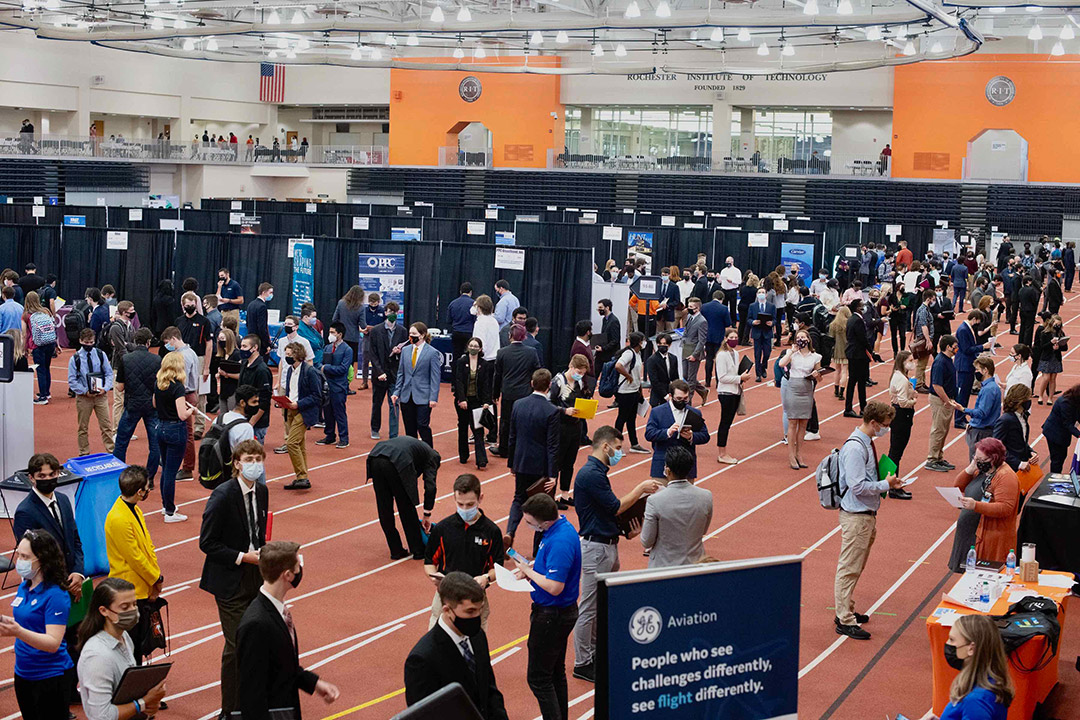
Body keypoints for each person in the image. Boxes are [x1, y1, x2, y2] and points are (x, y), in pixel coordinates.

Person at [571, 425, 660, 682]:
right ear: (606, 446)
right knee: (588, 607)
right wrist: (641, 488)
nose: (620, 453)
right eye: (618, 448)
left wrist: (623, 531)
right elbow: (614, 506)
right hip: (595, 548)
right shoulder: (591, 474)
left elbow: (604, 513)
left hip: (606, 544)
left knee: (599, 605)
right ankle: (582, 661)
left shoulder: (598, 473)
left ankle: (596, 654)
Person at [199, 438, 268, 716]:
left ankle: (251, 700)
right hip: (229, 580)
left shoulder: (262, 492)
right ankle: (229, 710)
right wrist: (242, 556)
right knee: (237, 644)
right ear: (237, 464)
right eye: (248, 460)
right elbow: (207, 543)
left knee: (256, 640)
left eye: (258, 459)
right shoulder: (223, 495)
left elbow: (258, 533)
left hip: (256, 577)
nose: (254, 465)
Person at [235, 541, 339, 719]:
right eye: (299, 566)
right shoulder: (256, 624)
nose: (301, 570)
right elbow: (251, 692)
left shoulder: (277, 610)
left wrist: (314, 684)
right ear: (288, 575)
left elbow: (281, 663)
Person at [833, 402, 906, 640]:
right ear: (873, 422)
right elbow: (856, 486)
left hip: (865, 515)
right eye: (884, 425)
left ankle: (847, 608)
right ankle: (843, 619)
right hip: (856, 516)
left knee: (856, 566)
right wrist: (886, 485)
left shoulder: (866, 443)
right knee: (849, 568)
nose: (886, 430)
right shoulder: (855, 448)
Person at [509, 493, 581, 720]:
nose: (528, 526)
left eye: (530, 523)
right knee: (555, 672)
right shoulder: (557, 529)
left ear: (545, 521)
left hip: (552, 615)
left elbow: (554, 586)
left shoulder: (559, 541)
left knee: (539, 679)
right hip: (558, 613)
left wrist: (529, 572)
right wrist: (531, 569)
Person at [404, 571, 508, 720]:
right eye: (470, 611)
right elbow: (423, 715)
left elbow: (489, 690)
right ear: (447, 610)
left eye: (480, 609)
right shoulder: (422, 659)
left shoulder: (477, 636)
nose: (476, 617)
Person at [1, 530, 74, 720]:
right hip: (23, 672)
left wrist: (17, 631)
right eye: (19, 555)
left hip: (50, 676)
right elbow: (27, 622)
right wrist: (9, 624)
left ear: (42, 559)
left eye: (25, 557)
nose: (20, 561)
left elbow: (53, 643)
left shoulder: (56, 595)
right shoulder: (25, 586)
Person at [76, 578, 167, 720]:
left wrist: (150, 703)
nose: (133, 611)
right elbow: (102, 716)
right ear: (104, 611)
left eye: (134, 604)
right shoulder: (96, 656)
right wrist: (144, 703)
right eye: (125, 607)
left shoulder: (124, 636)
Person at [423, 474, 504, 629]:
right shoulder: (442, 528)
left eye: (470, 504)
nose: (465, 509)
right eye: (460, 504)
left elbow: (498, 568)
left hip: (475, 596)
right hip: (445, 595)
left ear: (480, 498)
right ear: (454, 498)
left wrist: (486, 577)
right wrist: (433, 576)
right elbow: (429, 563)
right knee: (437, 646)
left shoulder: (491, 531)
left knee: (474, 648)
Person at [103, 466, 162, 663]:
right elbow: (134, 557)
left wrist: (155, 577)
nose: (148, 491)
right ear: (139, 492)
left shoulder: (134, 509)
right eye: (147, 488)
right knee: (131, 644)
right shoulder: (118, 518)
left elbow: (147, 546)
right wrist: (155, 579)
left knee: (140, 642)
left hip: (141, 586)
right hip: (129, 590)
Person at [915, 614, 1014, 720]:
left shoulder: (975, 701)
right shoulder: (988, 681)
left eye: (952, 640)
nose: (948, 644)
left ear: (971, 649)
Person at [947, 438, 1019, 572]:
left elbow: (1005, 508)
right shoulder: (981, 470)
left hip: (990, 537)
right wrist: (971, 467)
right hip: (970, 534)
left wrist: (976, 505)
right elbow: (958, 485)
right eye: (976, 458)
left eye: (981, 459)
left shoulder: (1006, 477)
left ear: (994, 459)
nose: (977, 462)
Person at [506, 369, 560, 544]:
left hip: (521, 461)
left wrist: (512, 463)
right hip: (541, 466)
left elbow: (511, 436)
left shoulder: (518, 404)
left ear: (531, 383)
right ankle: (538, 547)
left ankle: (510, 531)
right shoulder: (551, 411)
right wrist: (553, 474)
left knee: (518, 498)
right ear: (549, 386)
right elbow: (552, 445)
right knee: (542, 505)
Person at [367, 435, 441, 560]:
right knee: (406, 507)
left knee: (384, 507)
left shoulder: (418, 448)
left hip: (375, 456)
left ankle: (395, 550)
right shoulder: (433, 457)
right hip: (397, 461)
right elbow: (430, 486)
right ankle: (418, 550)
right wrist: (427, 514)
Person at [640, 446, 713, 568]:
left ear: (667, 471)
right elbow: (703, 530)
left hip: (663, 566)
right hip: (695, 564)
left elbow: (647, 541)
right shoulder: (706, 496)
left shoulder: (654, 500)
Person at [113, 328, 161, 483]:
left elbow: (120, 387)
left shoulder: (126, 359)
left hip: (132, 404)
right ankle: (149, 478)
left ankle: (119, 476)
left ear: (134, 341)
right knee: (155, 445)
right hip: (151, 406)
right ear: (148, 342)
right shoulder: (157, 360)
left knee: (121, 442)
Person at [276, 341, 322, 490]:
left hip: (303, 411)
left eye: (289, 355)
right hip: (290, 410)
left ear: (297, 355)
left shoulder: (310, 371)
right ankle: (302, 477)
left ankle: (302, 476)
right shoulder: (290, 370)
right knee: (300, 445)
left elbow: (317, 396)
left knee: (291, 443)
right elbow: (291, 390)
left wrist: (299, 404)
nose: (287, 357)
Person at [154, 351, 194, 522]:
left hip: (161, 427)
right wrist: (190, 409)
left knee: (166, 470)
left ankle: (166, 506)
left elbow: (154, 403)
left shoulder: (159, 383)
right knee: (171, 472)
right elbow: (182, 415)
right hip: (175, 429)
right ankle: (170, 511)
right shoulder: (178, 387)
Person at [493, 323, 541, 460]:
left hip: (508, 392)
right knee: (525, 421)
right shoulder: (531, 352)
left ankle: (504, 449)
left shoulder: (502, 352)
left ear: (510, 336)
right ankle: (524, 448)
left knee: (506, 421)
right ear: (524, 336)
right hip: (525, 392)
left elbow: (498, 375)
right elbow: (537, 371)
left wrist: (495, 394)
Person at [644, 379, 709, 479]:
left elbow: (705, 436)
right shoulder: (657, 412)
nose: (682, 402)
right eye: (678, 398)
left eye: (685, 399)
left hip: (686, 467)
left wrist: (691, 436)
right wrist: (667, 432)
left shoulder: (694, 413)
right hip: (662, 466)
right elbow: (649, 434)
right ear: (670, 396)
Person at [159, 326, 200, 480]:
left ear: (174, 339)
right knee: (183, 429)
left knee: (186, 432)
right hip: (190, 393)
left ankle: (188, 468)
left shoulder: (182, 357)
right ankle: (176, 461)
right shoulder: (192, 352)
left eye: (168, 342)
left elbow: (181, 379)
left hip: (184, 395)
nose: (167, 346)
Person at [392, 322, 442, 447]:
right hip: (406, 395)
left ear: (423, 335)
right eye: (410, 334)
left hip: (423, 396)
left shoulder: (432, 353)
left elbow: (435, 377)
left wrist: (433, 398)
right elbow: (401, 374)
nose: (411, 336)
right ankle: (413, 454)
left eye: (414, 334)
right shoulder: (405, 350)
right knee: (409, 428)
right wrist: (396, 392)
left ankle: (429, 454)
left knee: (423, 426)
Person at [779, 328, 822, 469]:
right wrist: (792, 350)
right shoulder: (792, 354)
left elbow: (820, 377)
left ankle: (799, 454)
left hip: (807, 388)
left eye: (804, 337)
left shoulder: (816, 357)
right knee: (792, 422)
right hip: (793, 387)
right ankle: (791, 455)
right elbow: (781, 364)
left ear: (809, 340)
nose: (801, 340)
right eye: (799, 337)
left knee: (803, 423)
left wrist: (817, 375)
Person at [549, 356, 589, 508]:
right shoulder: (558, 382)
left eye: (583, 373)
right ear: (571, 366)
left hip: (575, 426)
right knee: (556, 462)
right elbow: (548, 404)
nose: (580, 375)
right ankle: (551, 497)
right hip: (560, 427)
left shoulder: (578, 382)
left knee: (569, 462)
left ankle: (565, 494)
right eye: (578, 371)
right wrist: (564, 410)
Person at [69, 327, 116, 455]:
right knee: (82, 427)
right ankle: (84, 452)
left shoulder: (101, 354)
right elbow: (72, 380)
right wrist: (84, 391)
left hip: (101, 396)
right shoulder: (75, 359)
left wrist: (105, 388)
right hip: (84, 397)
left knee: (106, 426)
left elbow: (109, 373)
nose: (89, 345)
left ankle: (112, 452)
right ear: (80, 341)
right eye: (86, 342)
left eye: (91, 342)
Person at [926, 335, 966, 473]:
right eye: (955, 346)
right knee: (938, 429)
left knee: (944, 429)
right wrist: (947, 401)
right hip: (940, 400)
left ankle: (938, 457)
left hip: (947, 399)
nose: (957, 349)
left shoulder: (947, 360)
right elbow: (936, 385)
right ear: (948, 347)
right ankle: (932, 459)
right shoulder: (940, 362)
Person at [369, 302, 407, 440]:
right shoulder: (376, 330)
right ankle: (375, 428)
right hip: (379, 374)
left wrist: (398, 351)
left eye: (395, 312)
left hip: (394, 374)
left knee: (394, 404)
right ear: (385, 313)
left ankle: (394, 434)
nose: (393, 315)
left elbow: (405, 352)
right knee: (377, 403)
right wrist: (379, 372)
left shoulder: (402, 331)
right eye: (390, 312)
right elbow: (372, 353)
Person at [453, 337, 492, 469]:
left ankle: (481, 460)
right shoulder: (461, 362)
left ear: (480, 349)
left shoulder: (485, 364)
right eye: (471, 345)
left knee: (478, 429)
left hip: (477, 401)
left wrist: (487, 401)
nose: (473, 348)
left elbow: (487, 384)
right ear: (467, 347)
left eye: (476, 346)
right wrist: (462, 399)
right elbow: (458, 381)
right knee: (463, 427)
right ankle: (463, 455)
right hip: (463, 401)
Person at [714, 327, 751, 465]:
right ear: (725, 339)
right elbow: (722, 377)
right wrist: (739, 378)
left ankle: (723, 452)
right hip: (726, 393)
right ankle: (722, 453)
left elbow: (735, 371)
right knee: (725, 422)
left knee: (728, 423)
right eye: (731, 338)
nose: (734, 340)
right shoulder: (721, 355)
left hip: (735, 391)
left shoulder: (735, 353)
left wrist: (741, 377)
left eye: (736, 338)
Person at [227, 335, 273, 443]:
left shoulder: (262, 370)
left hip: (256, 423)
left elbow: (264, 400)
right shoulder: (244, 364)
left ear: (254, 348)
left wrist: (251, 423)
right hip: (243, 418)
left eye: (244, 346)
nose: (241, 349)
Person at [886, 350, 917, 499]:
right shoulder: (901, 379)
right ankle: (892, 486)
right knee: (895, 452)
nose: (913, 363)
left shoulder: (901, 376)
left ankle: (891, 483)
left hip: (900, 415)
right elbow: (903, 402)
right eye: (910, 360)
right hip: (902, 415)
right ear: (903, 362)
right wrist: (913, 401)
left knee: (895, 451)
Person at [955, 310, 993, 429]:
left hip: (968, 364)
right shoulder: (963, 330)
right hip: (964, 365)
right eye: (978, 321)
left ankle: (961, 416)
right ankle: (958, 419)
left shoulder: (967, 328)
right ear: (974, 319)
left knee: (965, 394)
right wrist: (982, 347)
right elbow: (966, 349)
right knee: (962, 394)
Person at [317, 322, 351, 449]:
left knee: (339, 412)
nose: (330, 335)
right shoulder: (327, 348)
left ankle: (344, 438)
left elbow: (343, 369)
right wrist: (323, 368)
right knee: (328, 412)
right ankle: (330, 435)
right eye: (330, 332)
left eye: (333, 333)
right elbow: (320, 364)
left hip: (339, 386)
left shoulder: (347, 350)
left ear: (340, 334)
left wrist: (326, 368)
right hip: (327, 385)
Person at [613, 331, 648, 453]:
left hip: (634, 391)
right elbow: (618, 366)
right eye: (643, 340)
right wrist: (628, 376)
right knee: (622, 418)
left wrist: (640, 390)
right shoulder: (629, 353)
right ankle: (615, 445)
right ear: (639, 342)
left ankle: (634, 443)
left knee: (631, 418)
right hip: (625, 392)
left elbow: (637, 374)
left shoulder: (637, 353)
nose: (645, 342)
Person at [963, 355, 1002, 459]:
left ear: (985, 370)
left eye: (977, 369)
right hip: (984, 429)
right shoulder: (992, 387)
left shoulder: (988, 389)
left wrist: (963, 410)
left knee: (977, 461)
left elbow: (982, 413)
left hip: (981, 431)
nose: (976, 372)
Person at [993, 384, 1037, 474]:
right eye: (1028, 398)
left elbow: (1021, 440)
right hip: (1008, 468)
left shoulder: (1023, 416)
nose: (1030, 401)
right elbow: (996, 448)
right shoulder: (1005, 420)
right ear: (1021, 401)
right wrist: (1018, 463)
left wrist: (1031, 452)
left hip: (1021, 466)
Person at [107, 300, 137, 425]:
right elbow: (121, 349)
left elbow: (135, 346)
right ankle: (116, 430)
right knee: (118, 400)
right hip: (119, 367)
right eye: (131, 311)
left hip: (129, 366)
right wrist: (129, 347)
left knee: (127, 400)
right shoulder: (116, 327)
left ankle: (125, 428)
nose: (134, 313)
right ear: (124, 312)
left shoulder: (131, 326)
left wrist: (127, 344)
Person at [24, 291, 56, 404]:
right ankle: (46, 392)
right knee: (46, 368)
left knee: (40, 369)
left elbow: (24, 333)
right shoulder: (45, 311)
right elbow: (53, 326)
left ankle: (43, 397)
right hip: (50, 342)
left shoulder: (26, 315)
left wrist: (24, 348)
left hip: (38, 344)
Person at [332, 285, 366, 391]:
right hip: (353, 338)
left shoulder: (341, 303)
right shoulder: (360, 308)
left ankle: (336, 385)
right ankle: (345, 386)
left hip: (339, 337)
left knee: (337, 361)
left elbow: (334, 319)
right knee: (349, 364)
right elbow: (363, 325)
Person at [1042, 383, 1080, 473]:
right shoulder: (1065, 403)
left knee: (1062, 456)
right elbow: (1067, 423)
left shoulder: (1074, 400)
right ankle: (1054, 478)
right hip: (1054, 433)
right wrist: (1079, 435)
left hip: (1062, 433)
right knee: (1057, 459)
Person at [844, 299, 871, 418]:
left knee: (854, 382)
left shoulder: (851, 319)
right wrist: (871, 351)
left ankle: (856, 407)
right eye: (861, 305)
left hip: (853, 353)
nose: (864, 307)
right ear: (856, 308)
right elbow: (862, 338)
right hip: (858, 355)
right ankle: (857, 408)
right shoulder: (857, 321)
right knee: (858, 382)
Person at [700, 289, 731, 386]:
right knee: (719, 360)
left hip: (707, 336)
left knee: (709, 359)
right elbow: (728, 323)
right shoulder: (724, 308)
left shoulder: (704, 307)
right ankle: (718, 382)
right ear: (722, 299)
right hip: (718, 337)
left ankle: (707, 381)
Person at [681, 297, 709, 404]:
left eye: (691, 307)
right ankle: (702, 391)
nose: (688, 308)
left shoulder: (702, 321)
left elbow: (702, 341)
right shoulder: (689, 317)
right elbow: (685, 331)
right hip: (685, 349)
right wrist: (683, 341)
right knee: (685, 375)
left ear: (697, 309)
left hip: (694, 351)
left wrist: (694, 354)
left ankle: (688, 401)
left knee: (691, 379)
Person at [1034, 314, 1065, 405]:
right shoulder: (1045, 333)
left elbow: (1065, 347)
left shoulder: (1060, 333)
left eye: (1059, 324)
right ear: (1051, 323)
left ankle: (1050, 398)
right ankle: (1040, 395)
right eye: (1056, 324)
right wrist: (1051, 343)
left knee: (1053, 378)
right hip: (1046, 357)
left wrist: (1058, 347)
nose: (1057, 326)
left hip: (1055, 357)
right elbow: (1042, 346)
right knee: (1046, 377)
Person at [645, 333, 679, 407]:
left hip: (670, 394)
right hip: (658, 396)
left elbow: (675, 377)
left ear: (669, 345)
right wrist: (665, 395)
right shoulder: (652, 360)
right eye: (660, 344)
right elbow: (654, 380)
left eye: (664, 344)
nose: (662, 346)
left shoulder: (673, 358)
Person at [360, 292, 386, 389]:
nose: (374, 305)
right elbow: (358, 323)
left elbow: (385, 324)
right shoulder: (364, 310)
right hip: (367, 337)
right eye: (372, 303)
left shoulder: (382, 311)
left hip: (379, 338)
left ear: (379, 302)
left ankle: (377, 381)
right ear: (368, 302)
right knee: (365, 360)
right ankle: (364, 381)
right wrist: (362, 329)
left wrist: (375, 328)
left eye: (375, 304)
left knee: (378, 360)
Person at [749, 286, 775, 382]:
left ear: (766, 294)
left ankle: (763, 366)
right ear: (757, 294)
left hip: (767, 332)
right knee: (757, 354)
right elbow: (748, 319)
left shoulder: (771, 306)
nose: (761, 294)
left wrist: (772, 323)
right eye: (759, 292)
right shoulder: (752, 306)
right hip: (757, 332)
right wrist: (753, 322)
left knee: (767, 353)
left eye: (763, 292)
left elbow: (775, 319)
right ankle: (758, 374)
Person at [448, 282, 477, 360]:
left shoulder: (453, 303)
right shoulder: (473, 304)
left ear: (460, 291)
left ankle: (455, 371)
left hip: (456, 333)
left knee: (456, 356)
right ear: (471, 292)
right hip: (469, 333)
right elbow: (475, 320)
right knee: (468, 356)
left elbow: (449, 320)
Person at [247, 283, 273, 358]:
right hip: (259, 341)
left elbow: (248, 323)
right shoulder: (262, 306)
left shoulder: (251, 304)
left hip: (251, 339)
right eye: (270, 292)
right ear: (263, 292)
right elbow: (262, 327)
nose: (271, 295)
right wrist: (267, 344)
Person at [472, 294, 501, 362]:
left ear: (479, 308)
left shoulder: (480, 323)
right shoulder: (494, 321)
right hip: (494, 358)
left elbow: (480, 342)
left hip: (484, 359)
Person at [593, 298, 621, 369]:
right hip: (603, 352)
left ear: (607, 308)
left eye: (600, 308)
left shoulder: (614, 321)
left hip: (609, 354)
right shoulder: (605, 319)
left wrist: (603, 348)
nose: (599, 310)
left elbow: (615, 340)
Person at [1017, 275, 1040, 348]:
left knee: (1022, 326)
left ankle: (1021, 342)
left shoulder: (1021, 289)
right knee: (1029, 328)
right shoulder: (1031, 290)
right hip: (1030, 310)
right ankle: (1027, 344)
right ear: (1028, 282)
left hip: (1022, 310)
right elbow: (1035, 300)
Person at [718, 256, 742, 323]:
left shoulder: (737, 271)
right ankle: (724, 321)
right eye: (727, 262)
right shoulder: (723, 270)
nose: (727, 263)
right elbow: (720, 281)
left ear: (732, 262)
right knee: (724, 307)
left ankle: (733, 322)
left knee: (733, 307)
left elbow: (739, 281)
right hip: (724, 290)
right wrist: (718, 278)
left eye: (729, 262)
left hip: (732, 290)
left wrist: (732, 281)